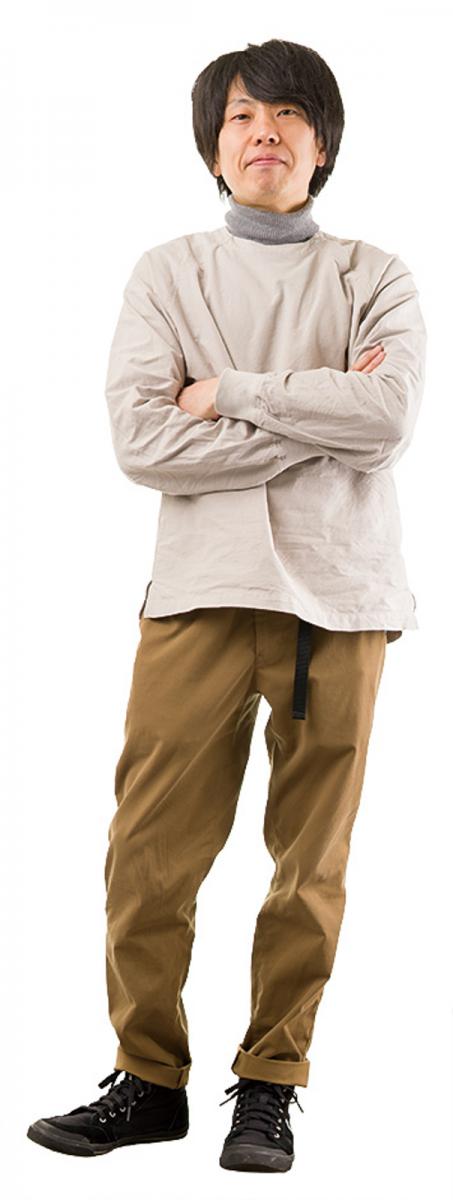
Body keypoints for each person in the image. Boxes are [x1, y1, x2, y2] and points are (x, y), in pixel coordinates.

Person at [26, 38, 426, 1174]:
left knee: (312, 863)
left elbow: (387, 419)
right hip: (199, 592)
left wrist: (231, 395)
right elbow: (143, 441)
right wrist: (316, 419)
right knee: (147, 851)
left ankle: (270, 1085)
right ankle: (148, 1079)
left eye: (289, 115)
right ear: (213, 147)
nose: (265, 132)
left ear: (322, 145)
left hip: (341, 599)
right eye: (242, 115)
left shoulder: (374, 273)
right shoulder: (168, 274)